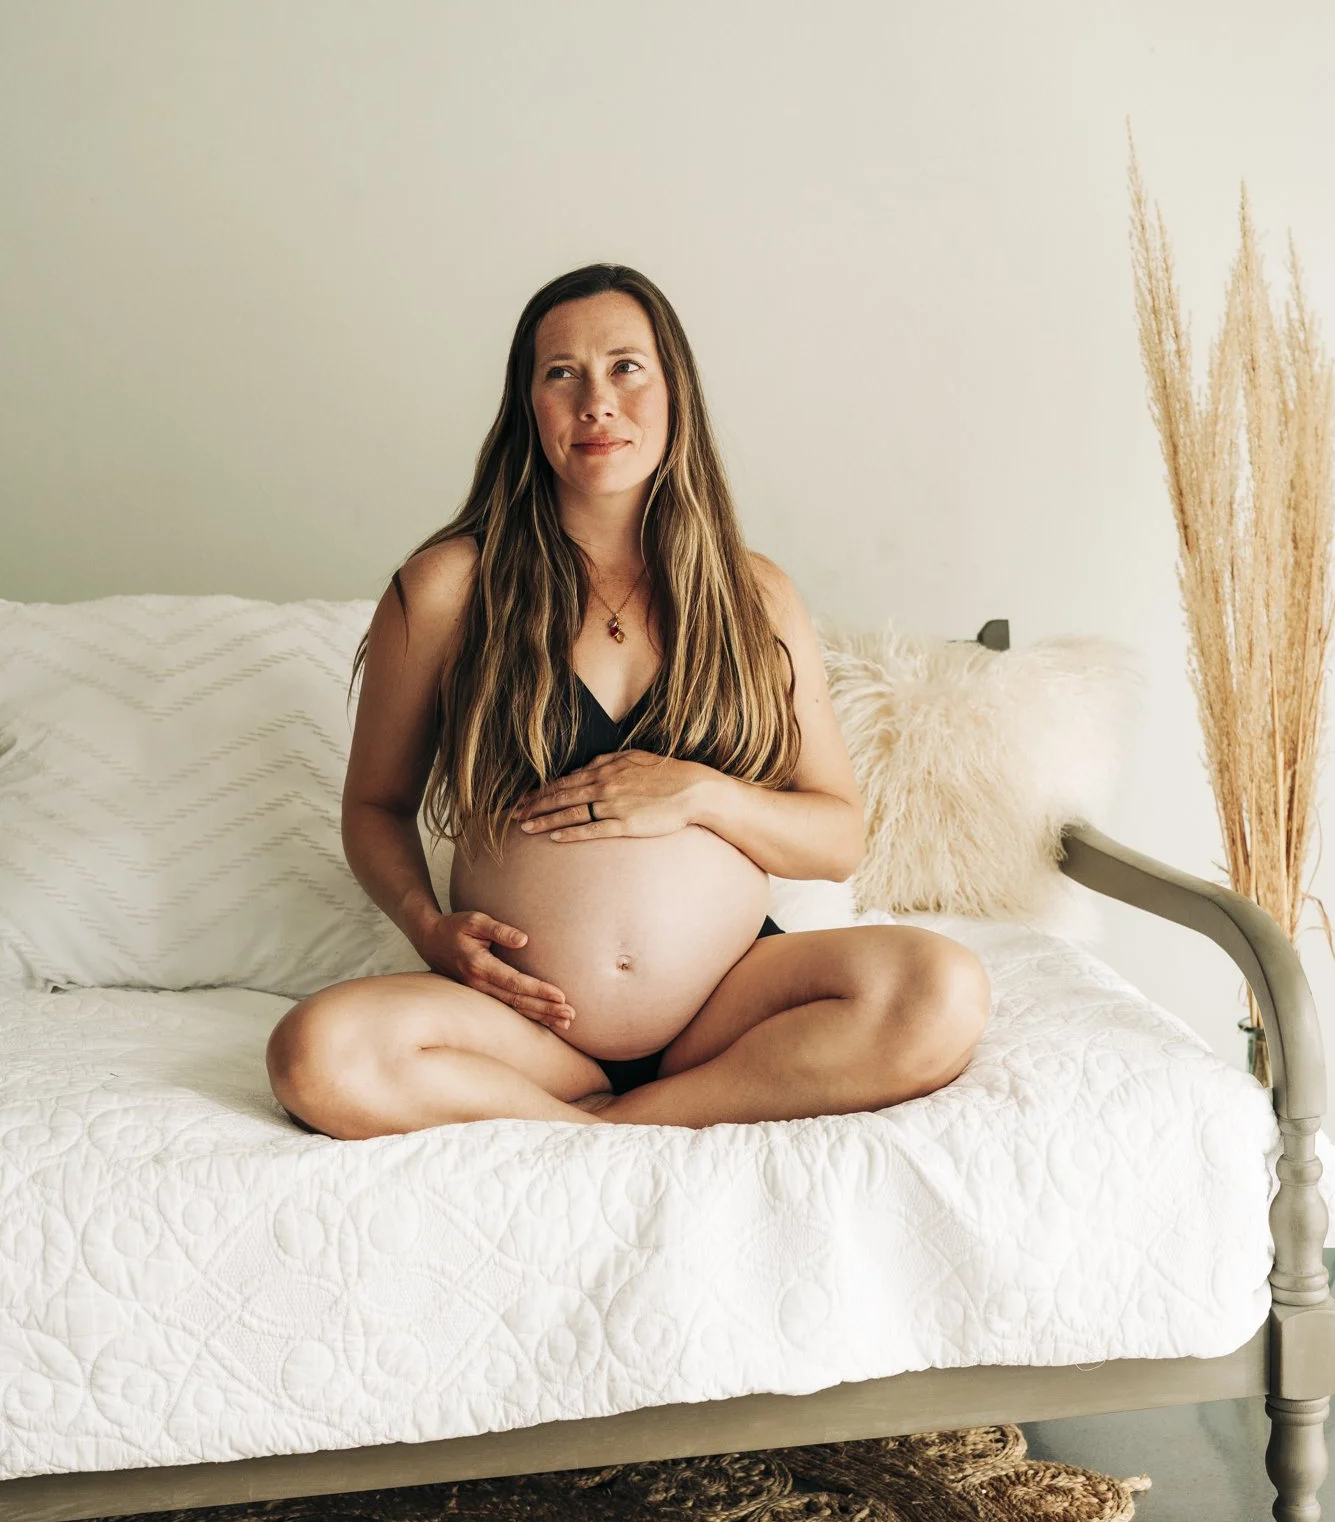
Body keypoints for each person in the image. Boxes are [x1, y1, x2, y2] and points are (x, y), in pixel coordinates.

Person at [267, 263, 989, 1136]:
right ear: (527, 408)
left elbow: (838, 838)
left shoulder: (753, 596)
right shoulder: (449, 588)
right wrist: (426, 926)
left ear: (674, 390)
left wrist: (700, 793)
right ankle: (596, 1125)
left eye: (625, 367)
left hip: (724, 1009)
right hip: (524, 1025)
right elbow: (376, 805)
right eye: (560, 373)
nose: (596, 402)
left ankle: (636, 1117)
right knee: (314, 1054)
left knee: (940, 991)